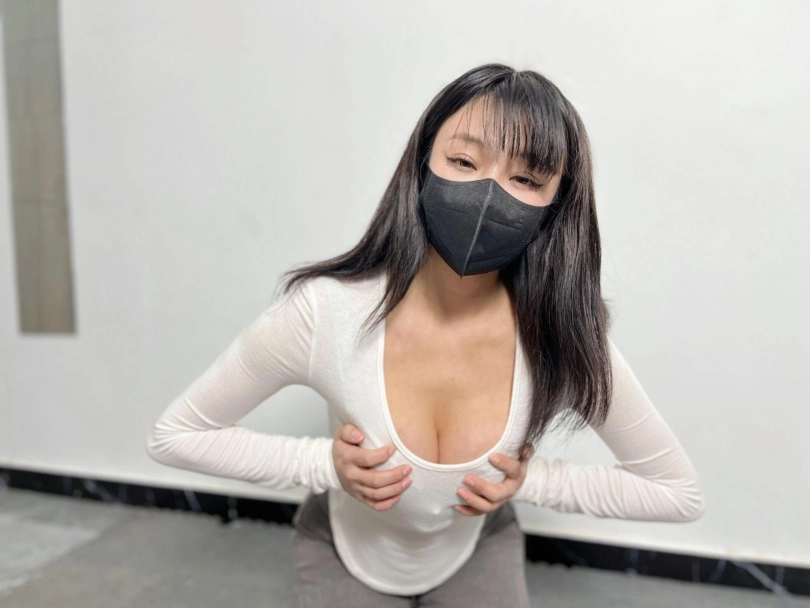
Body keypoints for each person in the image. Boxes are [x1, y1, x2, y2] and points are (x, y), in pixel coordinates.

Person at [145, 63, 706, 607]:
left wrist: (529, 482)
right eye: (463, 160)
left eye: (526, 179)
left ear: (555, 206)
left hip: (475, 547)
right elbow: (176, 435)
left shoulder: (563, 336)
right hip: (345, 550)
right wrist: (324, 467)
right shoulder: (325, 312)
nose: (489, 192)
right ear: (422, 163)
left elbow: (677, 494)